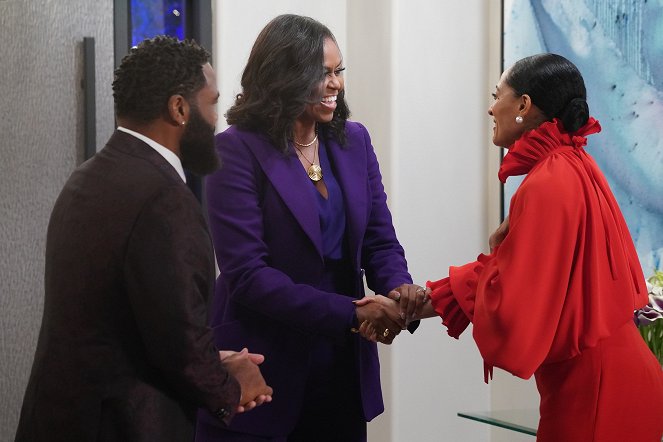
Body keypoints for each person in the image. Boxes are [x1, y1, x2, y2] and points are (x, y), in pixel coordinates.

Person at [362, 53, 663, 441]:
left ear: (522, 105)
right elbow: (520, 275)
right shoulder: (569, 163)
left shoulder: (549, 181)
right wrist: (431, 298)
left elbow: (514, 296)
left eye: (496, 95)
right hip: (609, 376)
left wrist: (415, 303)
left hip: (595, 390)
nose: (491, 107)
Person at [14, 36, 273, 442]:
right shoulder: (164, 197)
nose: (216, 119)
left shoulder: (87, 177)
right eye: (211, 103)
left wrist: (212, 360)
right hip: (123, 424)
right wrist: (232, 385)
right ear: (179, 108)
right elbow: (180, 339)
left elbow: (127, 319)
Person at [194, 14, 425, 442]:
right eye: (323, 73)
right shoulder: (234, 150)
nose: (336, 83)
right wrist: (352, 313)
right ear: (284, 75)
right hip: (263, 363)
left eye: (340, 72)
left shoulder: (354, 141)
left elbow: (379, 238)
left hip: (342, 362)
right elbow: (248, 275)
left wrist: (397, 286)